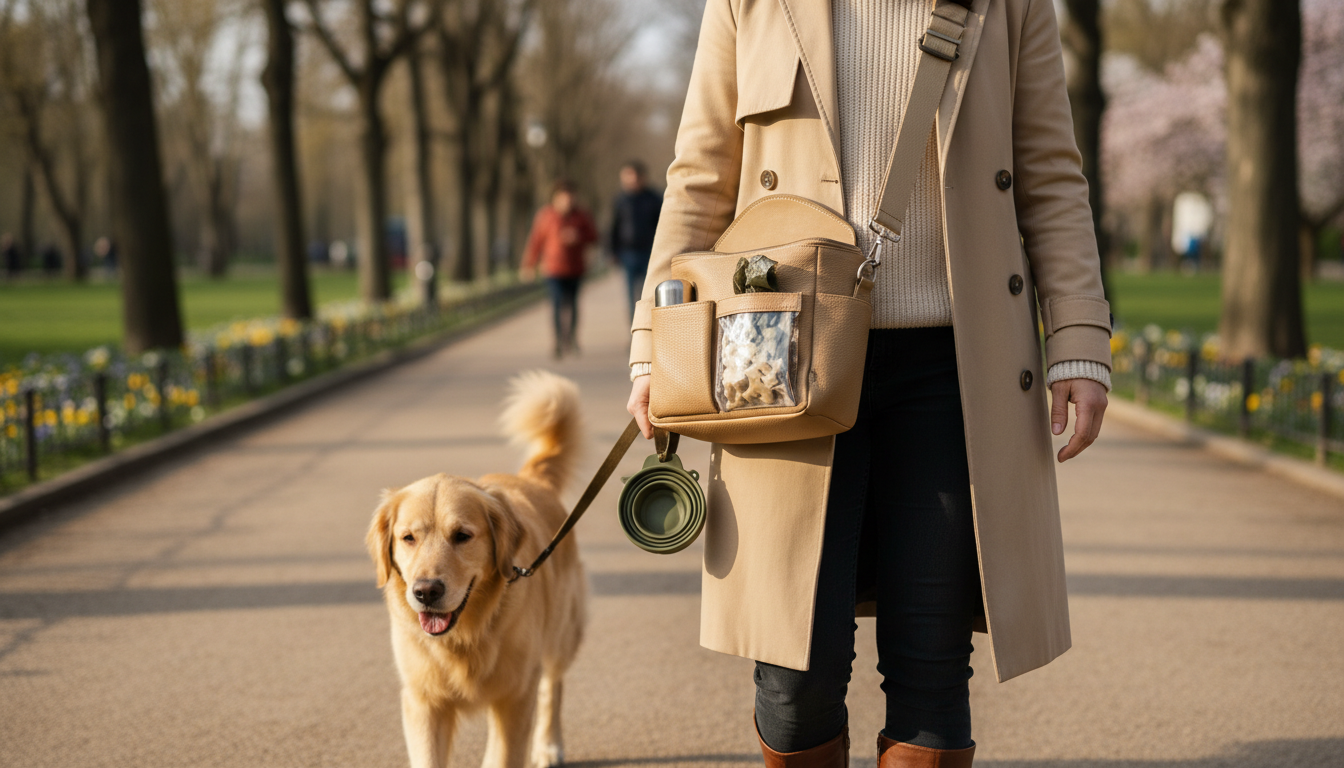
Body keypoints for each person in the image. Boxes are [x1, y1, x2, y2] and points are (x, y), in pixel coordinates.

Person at [624, 1, 1113, 766]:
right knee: (795, 670)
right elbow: (698, 180)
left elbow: (1051, 175)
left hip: (955, 367)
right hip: (777, 363)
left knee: (933, 658)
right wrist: (654, 346)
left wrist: (1080, 340)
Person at [522, 180, 598, 359]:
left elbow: (594, 237)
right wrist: (529, 265)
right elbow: (536, 241)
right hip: (553, 269)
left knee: (572, 305)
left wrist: (578, 237)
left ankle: (571, 338)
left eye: (570, 198)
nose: (567, 202)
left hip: (576, 269)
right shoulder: (546, 216)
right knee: (556, 305)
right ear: (555, 198)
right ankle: (557, 341)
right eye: (563, 198)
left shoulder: (582, 216)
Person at [608, 160, 662, 319]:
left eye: (634, 176)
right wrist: (612, 252)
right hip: (628, 253)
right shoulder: (620, 200)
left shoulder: (654, 199)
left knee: (650, 292)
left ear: (642, 177)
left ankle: (650, 326)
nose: (631, 180)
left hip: (650, 253)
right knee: (631, 295)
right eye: (627, 176)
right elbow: (613, 227)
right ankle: (635, 328)